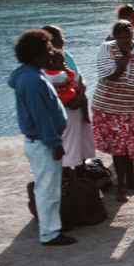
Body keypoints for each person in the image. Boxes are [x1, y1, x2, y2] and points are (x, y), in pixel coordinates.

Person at [9, 29, 73, 246]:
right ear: (36, 55)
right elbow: (43, 116)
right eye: (47, 50)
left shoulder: (26, 75)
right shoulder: (34, 81)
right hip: (43, 142)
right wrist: (55, 143)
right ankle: (50, 233)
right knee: (48, 190)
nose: (51, 53)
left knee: (46, 187)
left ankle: (51, 226)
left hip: (38, 141)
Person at [92, 19, 134, 202]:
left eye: (127, 37)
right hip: (110, 109)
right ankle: (121, 186)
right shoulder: (106, 49)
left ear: (132, 36)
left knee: (130, 148)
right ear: (114, 37)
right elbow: (109, 76)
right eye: (120, 38)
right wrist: (124, 59)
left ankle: (131, 181)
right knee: (119, 149)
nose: (124, 41)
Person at [41, 25, 95, 171]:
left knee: (81, 141)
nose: (63, 39)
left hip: (76, 101)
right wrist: (73, 98)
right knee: (67, 143)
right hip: (65, 108)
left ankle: (81, 170)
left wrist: (81, 91)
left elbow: (79, 76)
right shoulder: (48, 62)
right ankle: (68, 177)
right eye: (60, 37)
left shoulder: (66, 56)